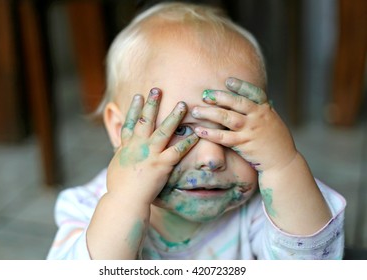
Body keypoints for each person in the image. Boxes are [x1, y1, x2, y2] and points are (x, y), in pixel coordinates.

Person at [47, 2, 346, 260]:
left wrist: (283, 164)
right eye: (179, 129)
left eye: (233, 129)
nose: (213, 158)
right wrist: (125, 202)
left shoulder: (262, 207)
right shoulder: (85, 208)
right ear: (118, 129)